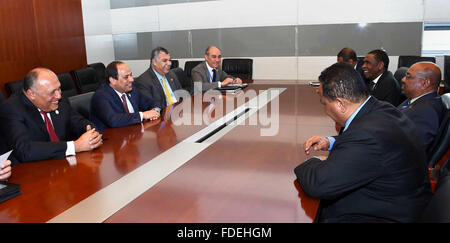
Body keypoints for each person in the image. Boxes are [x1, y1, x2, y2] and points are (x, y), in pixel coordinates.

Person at [294, 62, 431, 223]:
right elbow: (369, 140)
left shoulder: (366, 136)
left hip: (381, 214)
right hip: (397, 200)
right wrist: (330, 141)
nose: (325, 111)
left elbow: (318, 184)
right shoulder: (382, 109)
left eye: (325, 104)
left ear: (340, 104)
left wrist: (312, 161)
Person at [0, 67, 103, 163]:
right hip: (28, 172)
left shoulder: (59, 101)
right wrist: (74, 146)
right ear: (31, 94)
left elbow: (78, 122)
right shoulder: (12, 109)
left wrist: (91, 134)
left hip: (61, 164)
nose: (58, 96)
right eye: (52, 92)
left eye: (59, 89)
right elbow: (24, 150)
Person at [90, 61, 161, 131]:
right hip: (112, 139)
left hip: (133, 134)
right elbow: (114, 120)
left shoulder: (132, 90)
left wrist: (155, 111)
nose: (131, 79)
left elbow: (151, 102)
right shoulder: (101, 96)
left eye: (131, 75)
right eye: (126, 77)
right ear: (113, 80)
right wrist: (142, 115)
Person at [398, 62, 445, 152]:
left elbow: (410, 150)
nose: (403, 79)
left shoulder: (426, 112)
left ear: (425, 83)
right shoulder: (417, 99)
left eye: (408, 76)